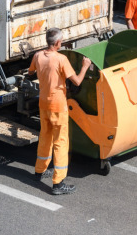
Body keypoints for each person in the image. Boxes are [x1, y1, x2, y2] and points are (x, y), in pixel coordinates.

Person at [26, 28, 91, 195]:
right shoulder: (61, 59)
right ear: (57, 43)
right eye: (61, 41)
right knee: (61, 142)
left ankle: (39, 171)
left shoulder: (38, 56)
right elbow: (76, 81)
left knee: (45, 136)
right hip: (58, 106)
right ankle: (58, 183)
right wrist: (85, 66)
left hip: (44, 103)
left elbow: (30, 72)